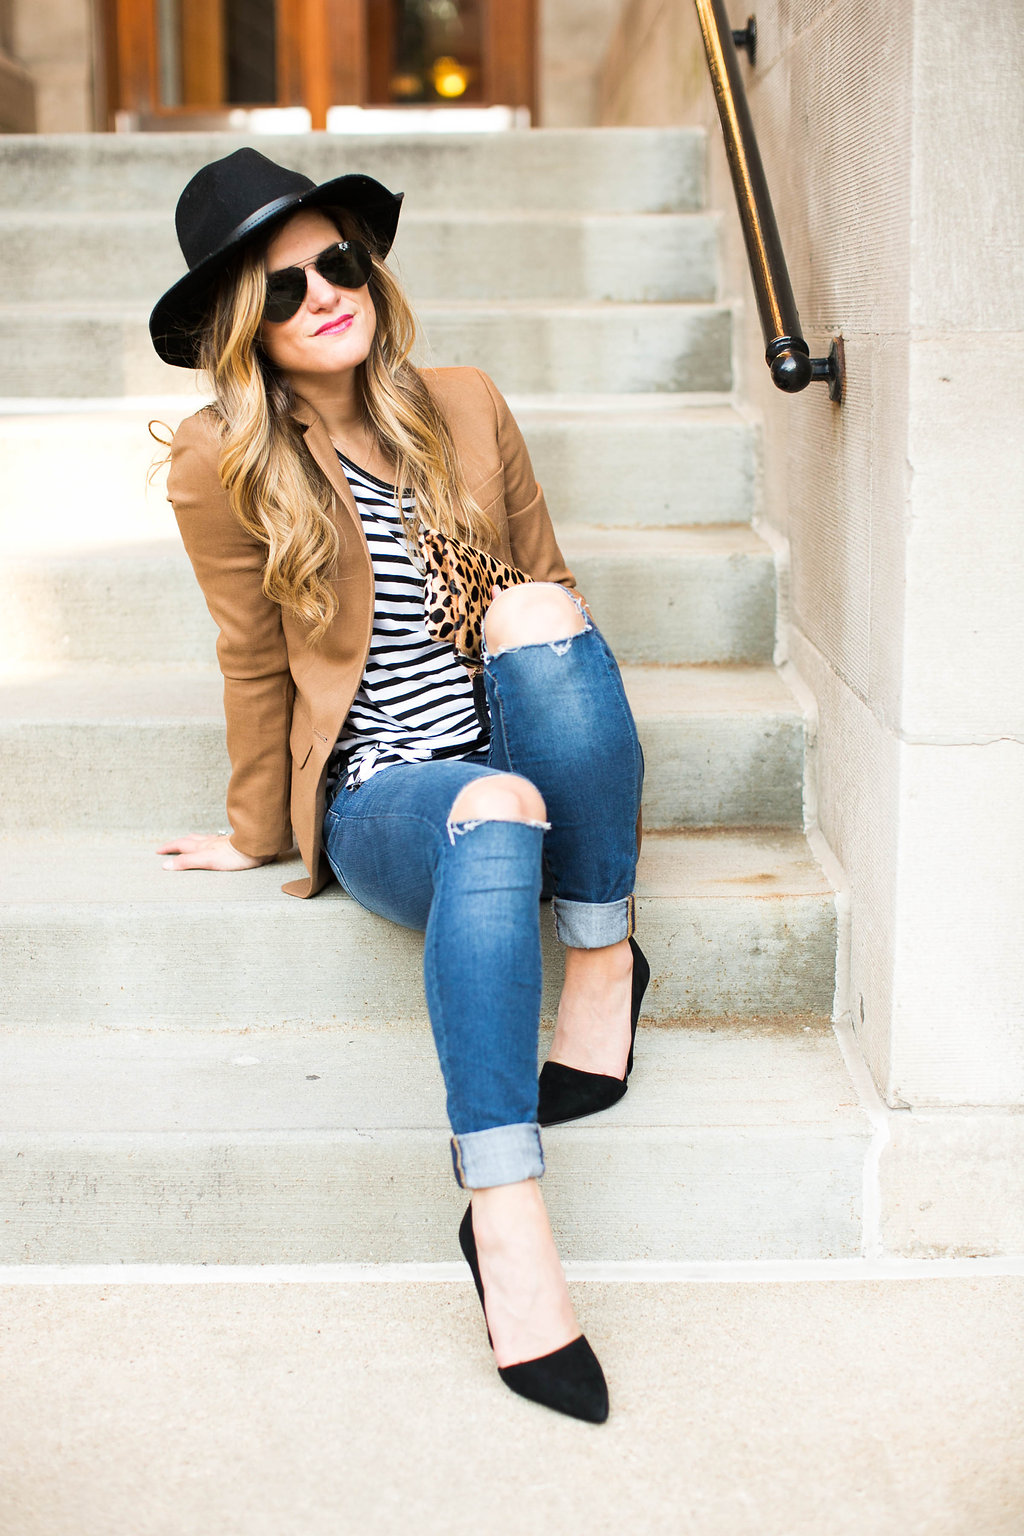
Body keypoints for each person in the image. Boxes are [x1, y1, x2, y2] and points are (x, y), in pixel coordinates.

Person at [149, 148, 648, 1424]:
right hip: (391, 795)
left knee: (537, 608)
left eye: (338, 261)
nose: (324, 291)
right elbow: (252, 655)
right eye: (280, 286)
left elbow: (552, 615)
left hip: (517, 726)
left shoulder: (466, 403)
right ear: (238, 328)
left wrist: (530, 648)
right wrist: (258, 826)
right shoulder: (223, 461)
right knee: (493, 810)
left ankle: (601, 958)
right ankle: (505, 1218)